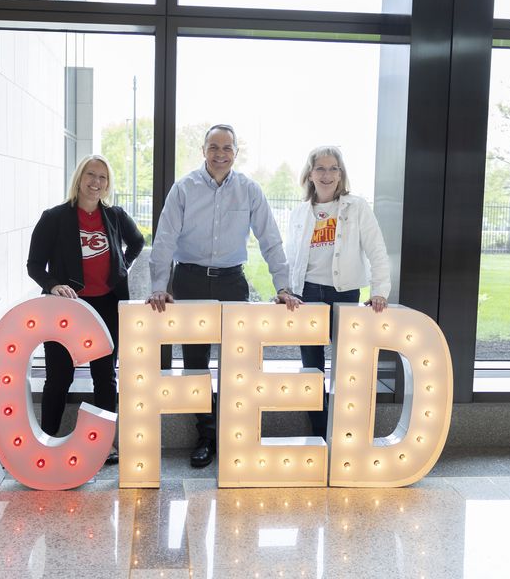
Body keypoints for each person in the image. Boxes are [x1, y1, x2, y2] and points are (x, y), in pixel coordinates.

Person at [146, 124, 302, 468]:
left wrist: (283, 287)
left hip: (232, 284)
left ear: (235, 152)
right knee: (196, 364)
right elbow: (165, 240)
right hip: (189, 281)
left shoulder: (249, 190)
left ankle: (234, 436)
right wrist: (160, 285)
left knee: (237, 363)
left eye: (227, 148)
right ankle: (205, 436)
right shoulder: (183, 188)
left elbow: (270, 241)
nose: (220, 154)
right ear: (203, 150)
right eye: (213, 147)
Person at [27, 154, 144, 464]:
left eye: (103, 178)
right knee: (59, 376)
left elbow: (137, 242)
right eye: (91, 175)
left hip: (106, 305)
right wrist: (53, 285)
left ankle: (105, 443)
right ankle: (48, 439)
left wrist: (121, 268)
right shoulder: (54, 217)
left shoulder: (116, 216)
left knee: (105, 376)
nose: (96, 182)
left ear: (108, 184)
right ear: (79, 178)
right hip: (68, 308)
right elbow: (34, 265)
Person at [286, 145, 391, 439]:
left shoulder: (356, 207)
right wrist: (286, 289)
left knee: (348, 365)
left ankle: (346, 433)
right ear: (309, 173)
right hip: (307, 295)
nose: (327, 174)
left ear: (341, 174)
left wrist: (380, 290)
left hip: (344, 294)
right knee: (312, 368)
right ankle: (320, 432)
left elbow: (377, 250)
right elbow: (289, 255)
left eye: (334, 168)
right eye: (320, 168)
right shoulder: (299, 212)